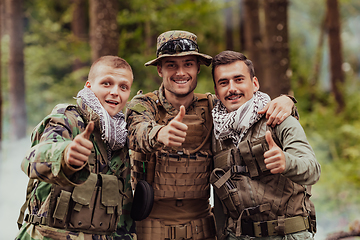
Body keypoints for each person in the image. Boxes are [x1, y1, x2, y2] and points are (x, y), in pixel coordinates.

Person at [125, 30, 297, 240]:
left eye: (188, 64)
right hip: (150, 228)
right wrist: (160, 134)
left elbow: (251, 109)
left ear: (198, 67)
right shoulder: (144, 105)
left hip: (202, 228)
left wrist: (286, 101)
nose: (181, 72)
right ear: (160, 69)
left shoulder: (213, 107)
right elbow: (136, 131)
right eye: (171, 65)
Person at [16, 56, 136, 240]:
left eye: (123, 87)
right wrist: (64, 156)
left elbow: (124, 212)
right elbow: (31, 161)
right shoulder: (67, 120)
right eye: (106, 83)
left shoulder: (121, 137)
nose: (115, 92)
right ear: (89, 86)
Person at [209, 50, 321, 240]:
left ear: (254, 83)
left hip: (287, 235)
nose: (232, 88)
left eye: (239, 79)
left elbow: (312, 169)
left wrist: (287, 162)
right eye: (223, 83)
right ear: (217, 92)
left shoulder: (279, 119)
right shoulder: (216, 132)